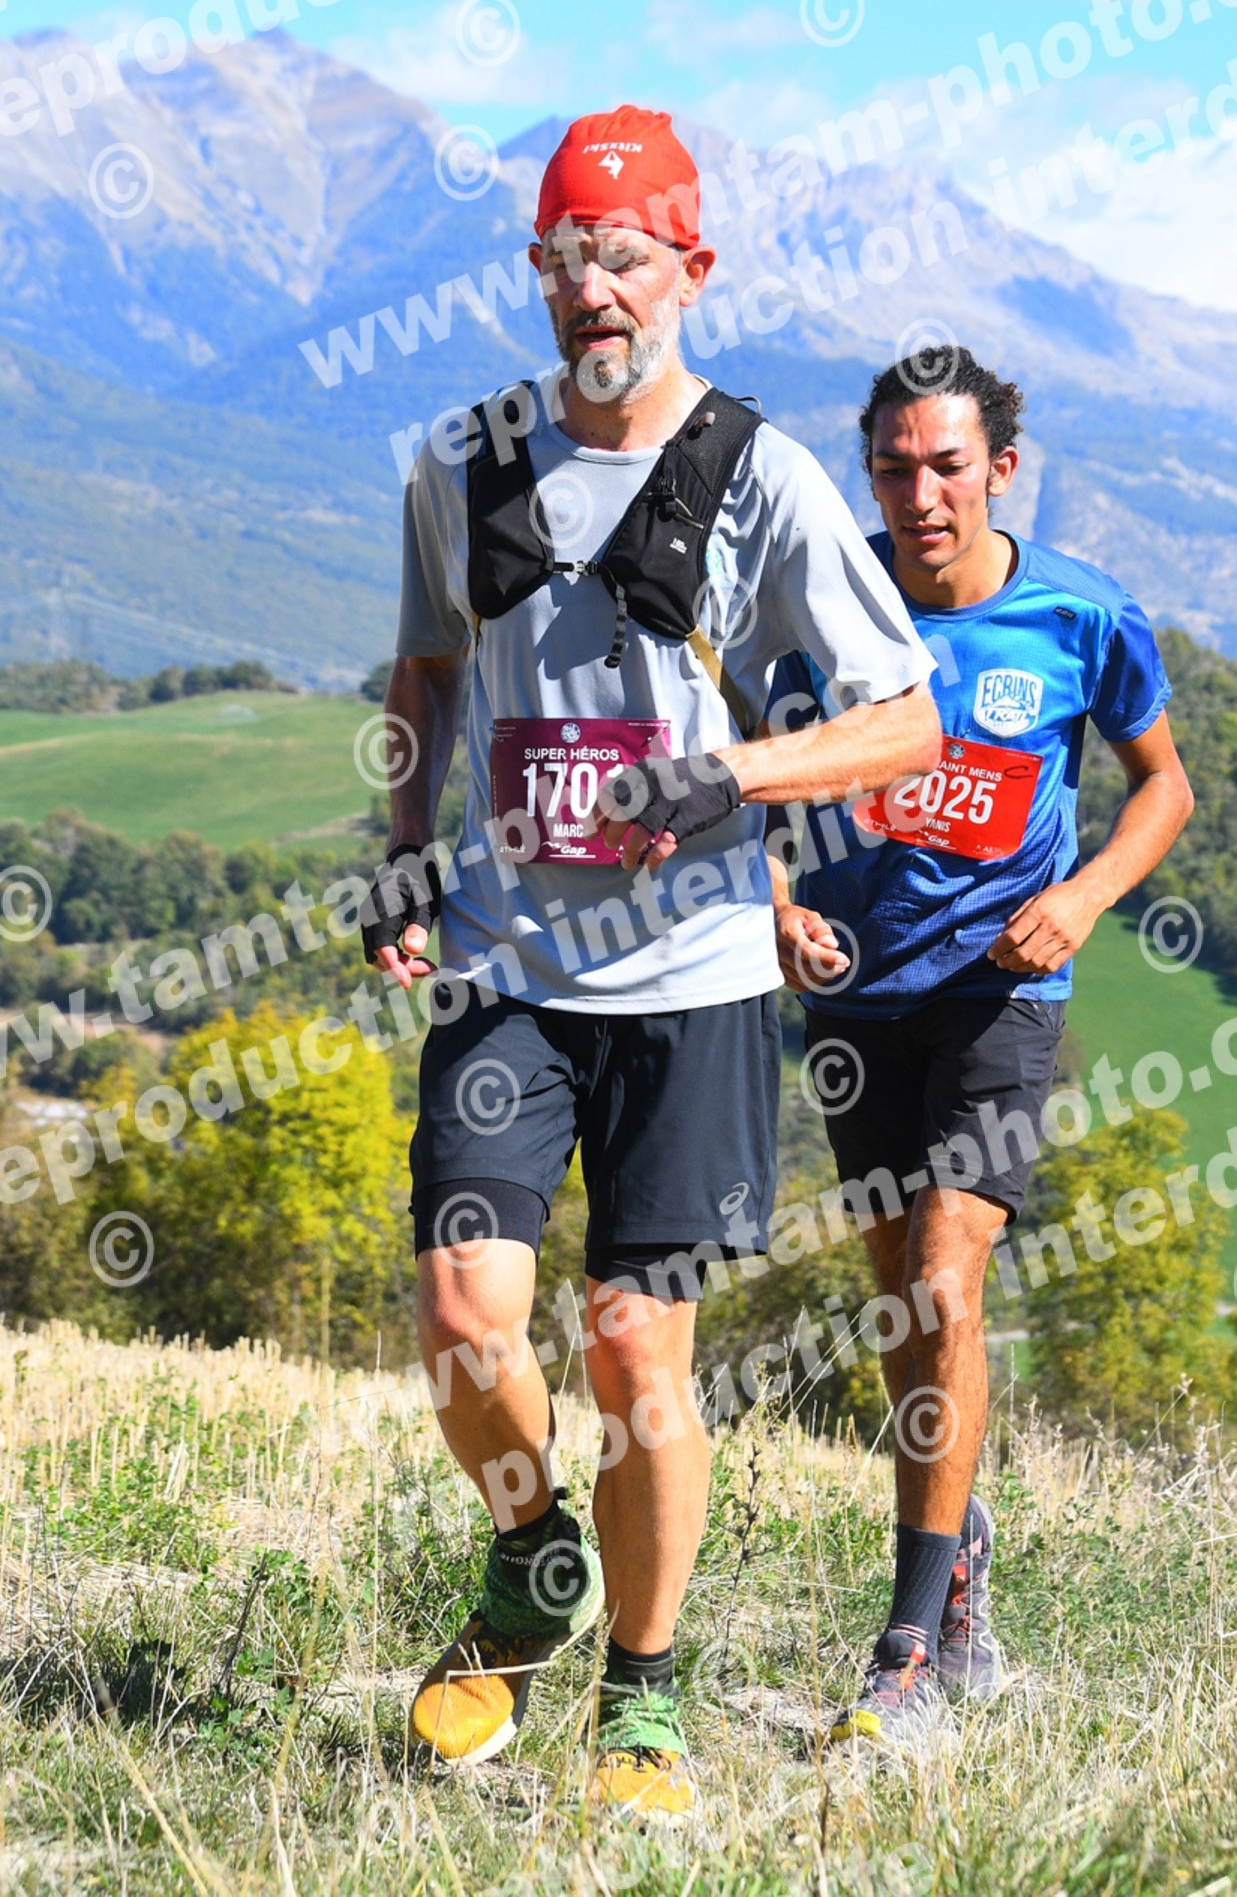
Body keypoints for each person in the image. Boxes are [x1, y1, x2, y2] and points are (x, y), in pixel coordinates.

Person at [372, 106, 942, 1817]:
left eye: (625, 258)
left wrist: (732, 779)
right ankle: (533, 1553)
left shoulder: (759, 473)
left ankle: (642, 1697)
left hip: (692, 982)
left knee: (634, 1351)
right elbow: (423, 675)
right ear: (537, 274)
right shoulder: (463, 461)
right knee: (465, 1313)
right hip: (507, 967)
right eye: (567, 260)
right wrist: (400, 849)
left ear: (691, 269)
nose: (594, 291)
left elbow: (904, 725)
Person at [768, 345, 1194, 1754]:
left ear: (1002, 468)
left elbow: (1162, 785)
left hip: (1005, 991)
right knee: (903, 1303)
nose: (921, 494)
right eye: (894, 468)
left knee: (948, 1281)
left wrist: (1084, 898)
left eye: (947, 466)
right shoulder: (826, 614)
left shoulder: (1082, 614)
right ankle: (956, 1547)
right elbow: (752, 792)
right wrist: (777, 908)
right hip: (855, 996)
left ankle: (908, 1649)